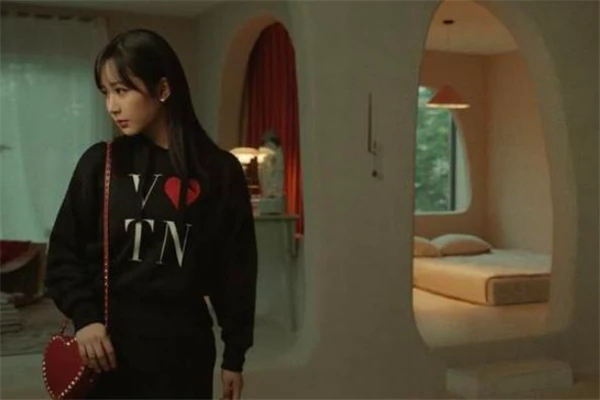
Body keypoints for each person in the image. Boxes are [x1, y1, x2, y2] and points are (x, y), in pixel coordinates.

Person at [44, 29, 257, 400]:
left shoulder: (219, 172)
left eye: (121, 90)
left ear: (163, 89)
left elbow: (236, 271)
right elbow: (63, 256)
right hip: (107, 352)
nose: (112, 106)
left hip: (184, 355)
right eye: (106, 92)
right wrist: (86, 318)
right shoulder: (101, 163)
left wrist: (234, 355)